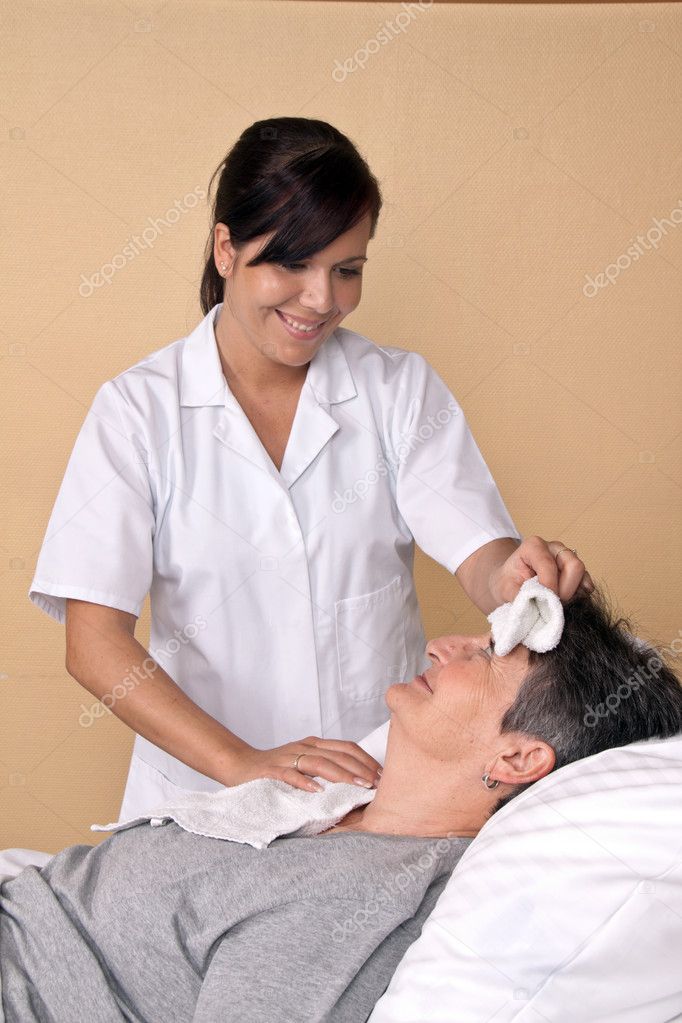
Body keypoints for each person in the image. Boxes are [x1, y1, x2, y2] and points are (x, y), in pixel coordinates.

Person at [28, 116, 594, 822]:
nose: (322, 300)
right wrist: (242, 763)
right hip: (203, 799)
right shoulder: (138, 411)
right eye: (291, 263)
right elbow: (94, 644)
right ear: (226, 248)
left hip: (373, 799)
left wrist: (518, 578)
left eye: (347, 270)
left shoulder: (396, 389)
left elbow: (481, 557)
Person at [2, 588, 679, 1022]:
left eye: (482, 655)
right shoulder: (339, 802)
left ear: (517, 758)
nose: (444, 646)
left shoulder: (377, 898)